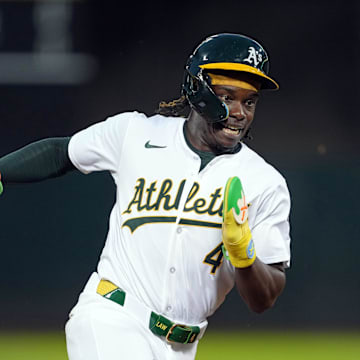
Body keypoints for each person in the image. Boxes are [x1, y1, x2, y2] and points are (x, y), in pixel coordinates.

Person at [0, 33, 291, 360]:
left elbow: (263, 299)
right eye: (227, 96)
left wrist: (244, 254)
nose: (239, 112)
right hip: (112, 316)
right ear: (198, 91)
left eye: (249, 101)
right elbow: (61, 153)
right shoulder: (135, 134)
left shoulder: (264, 182)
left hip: (181, 347)